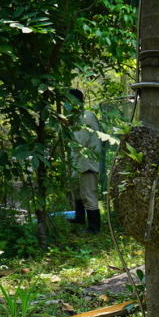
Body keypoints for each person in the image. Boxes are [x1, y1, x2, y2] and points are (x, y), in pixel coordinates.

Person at [67, 88, 103, 233]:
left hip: (87, 163)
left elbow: (79, 141)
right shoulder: (76, 117)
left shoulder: (85, 117)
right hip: (78, 162)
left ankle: (94, 227)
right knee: (78, 192)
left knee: (89, 194)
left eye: (68, 101)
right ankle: (80, 218)